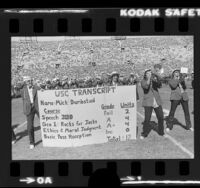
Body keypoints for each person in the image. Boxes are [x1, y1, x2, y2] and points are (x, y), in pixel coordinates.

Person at [140, 69, 165, 139]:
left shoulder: (154, 80)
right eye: (148, 73)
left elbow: (159, 85)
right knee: (147, 119)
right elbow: (146, 87)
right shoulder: (143, 81)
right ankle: (144, 133)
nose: (150, 74)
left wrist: (157, 78)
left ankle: (161, 132)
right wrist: (149, 79)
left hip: (157, 101)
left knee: (160, 117)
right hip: (148, 102)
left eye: (150, 73)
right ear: (145, 75)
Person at [20, 76, 40, 149]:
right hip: (29, 108)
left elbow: (43, 92)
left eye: (30, 81)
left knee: (44, 122)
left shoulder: (36, 87)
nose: (29, 82)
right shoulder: (23, 90)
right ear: (25, 82)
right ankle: (32, 142)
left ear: (32, 80)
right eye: (27, 81)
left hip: (37, 107)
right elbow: (23, 99)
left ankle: (49, 138)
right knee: (30, 126)